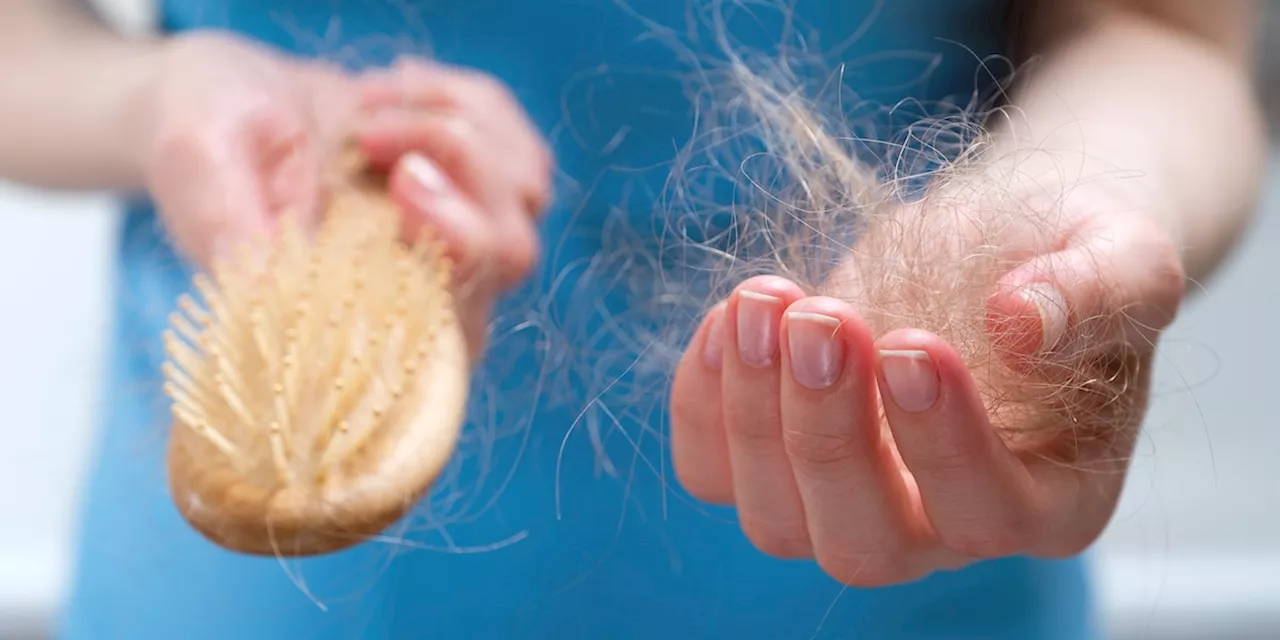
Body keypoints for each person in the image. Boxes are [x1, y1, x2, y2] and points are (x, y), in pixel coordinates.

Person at [0, 0, 1264, 638]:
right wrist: (156, 97)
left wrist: (1065, 222)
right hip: (249, 596)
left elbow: (1158, 32)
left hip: (907, 553)